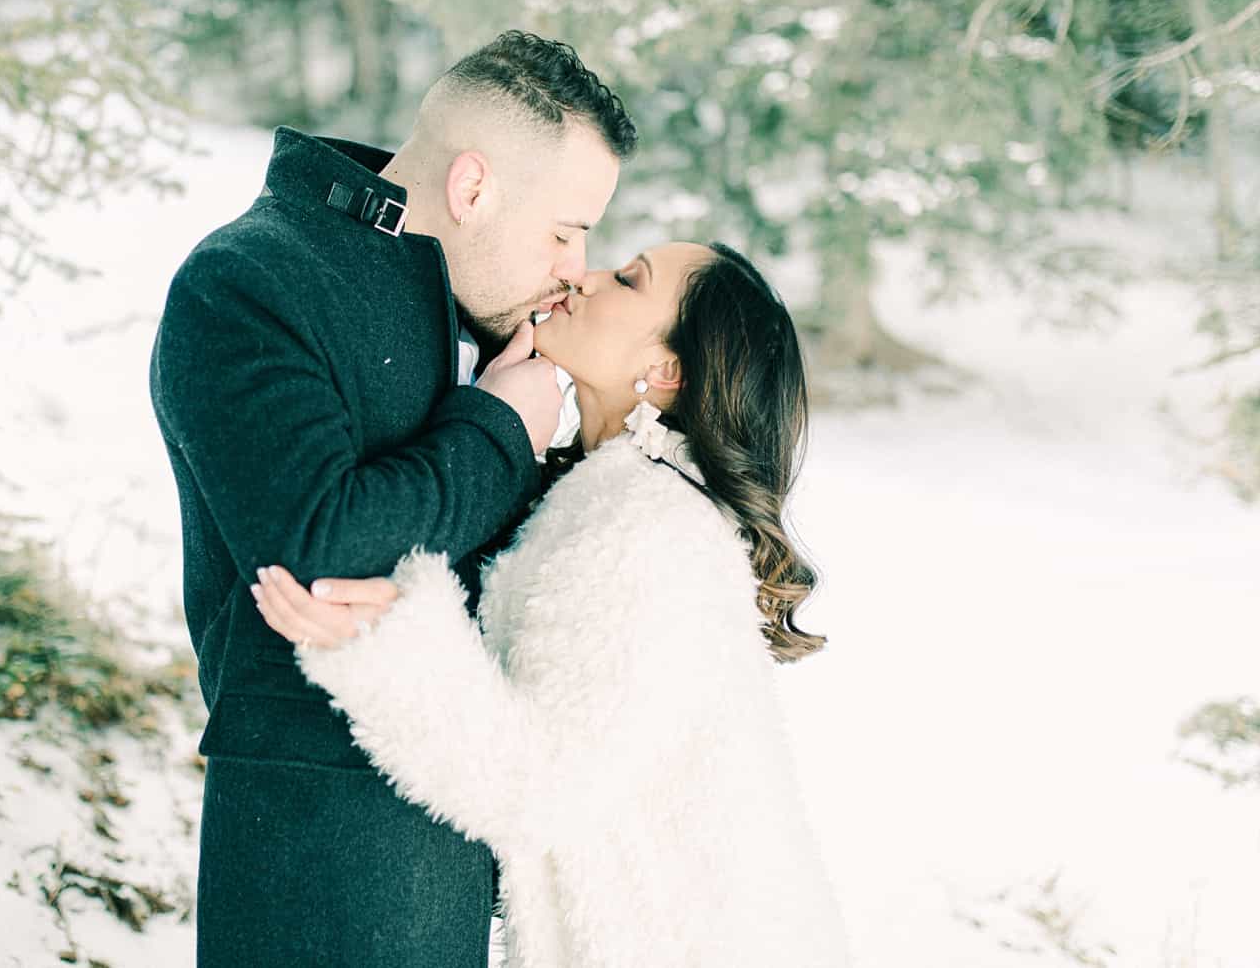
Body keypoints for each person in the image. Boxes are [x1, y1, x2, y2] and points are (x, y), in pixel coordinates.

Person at [147, 31, 637, 967]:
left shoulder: (464, 305)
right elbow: (320, 545)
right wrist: (499, 424)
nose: (575, 263)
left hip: (461, 806)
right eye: (566, 229)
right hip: (320, 828)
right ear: (474, 187)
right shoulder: (248, 280)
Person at [255, 242, 854, 967]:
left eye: (628, 281)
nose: (585, 274)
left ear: (667, 371)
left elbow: (537, 787)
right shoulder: (626, 499)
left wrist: (389, 638)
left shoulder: (650, 528)